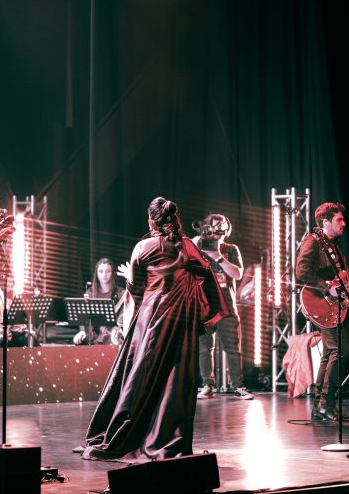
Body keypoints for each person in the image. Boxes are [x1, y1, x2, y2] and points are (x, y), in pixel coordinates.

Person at [78, 197, 228, 462]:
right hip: (180, 324)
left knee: (140, 377)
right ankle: (166, 438)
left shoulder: (142, 247)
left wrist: (132, 294)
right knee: (175, 382)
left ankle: (129, 434)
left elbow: (136, 290)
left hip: (150, 322)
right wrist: (194, 300)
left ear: (150, 221)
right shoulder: (187, 246)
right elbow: (206, 272)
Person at [295, 202, 349, 422]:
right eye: (339, 220)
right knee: (340, 351)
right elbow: (301, 272)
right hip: (321, 304)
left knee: (330, 354)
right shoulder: (312, 242)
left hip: (337, 306)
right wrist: (326, 287)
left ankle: (321, 406)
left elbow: (346, 283)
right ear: (325, 222)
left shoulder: (335, 247)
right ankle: (325, 404)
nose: (344, 223)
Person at [193, 213, 254, 400]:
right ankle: (207, 385)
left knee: (233, 349)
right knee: (204, 349)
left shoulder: (231, 249)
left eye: (221, 227)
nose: (217, 231)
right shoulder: (198, 246)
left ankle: (238, 386)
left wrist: (218, 257)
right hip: (204, 306)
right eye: (213, 227)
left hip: (226, 306)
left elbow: (237, 274)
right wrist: (196, 244)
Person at [73, 258, 125, 346]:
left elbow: (123, 319)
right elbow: (84, 316)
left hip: (114, 338)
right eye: (101, 271)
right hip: (95, 338)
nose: (104, 274)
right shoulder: (90, 293)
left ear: (112, 273)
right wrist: (82, 331)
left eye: (107, 271)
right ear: (96, 273)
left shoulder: (121, 294)